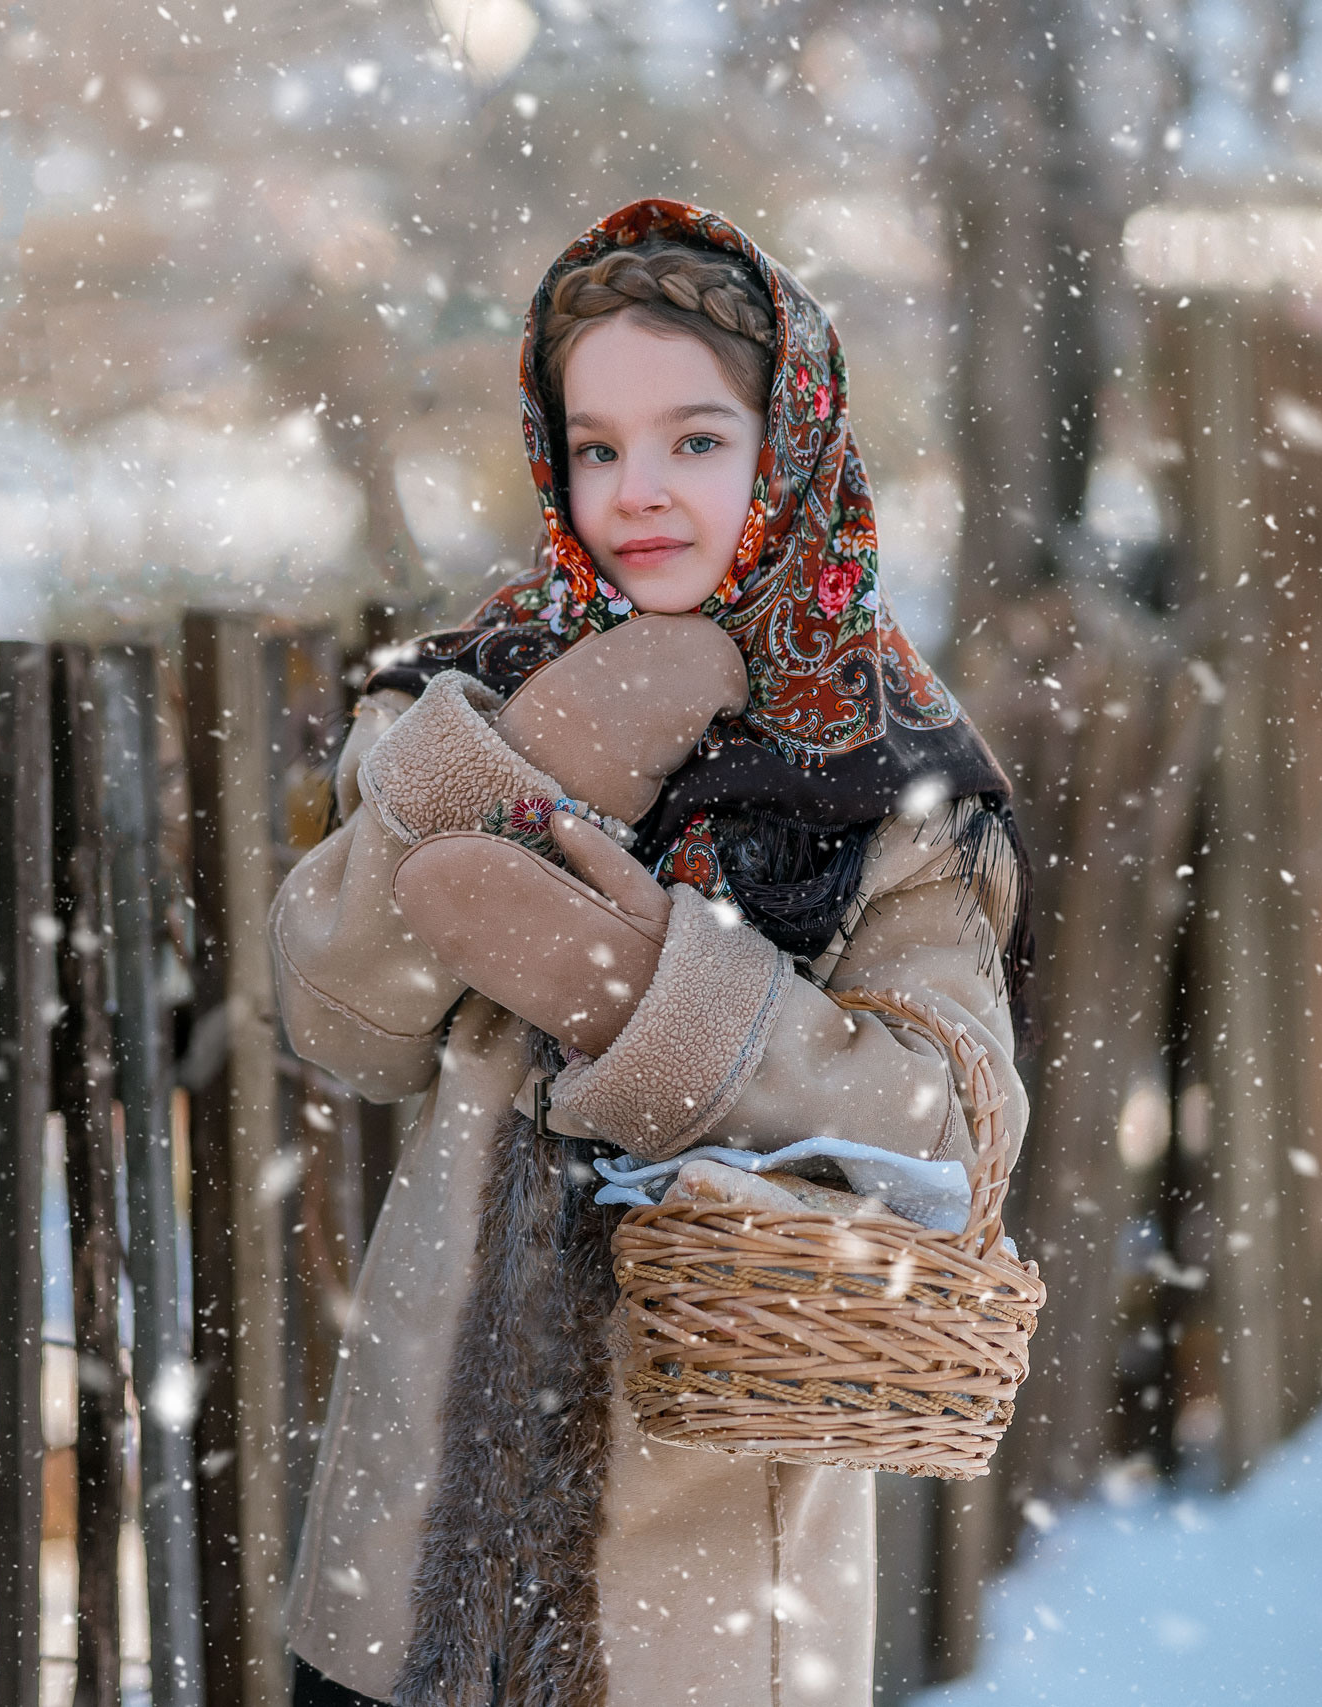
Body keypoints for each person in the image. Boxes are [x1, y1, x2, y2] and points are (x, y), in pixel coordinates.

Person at [274, 198, 1032, 1707]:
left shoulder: (889, 772)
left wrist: (668, 1001)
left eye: (696, 441)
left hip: (707, 1561)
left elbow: (951, 1124)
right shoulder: (468, 686)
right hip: (416, 1519)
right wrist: (490, 778)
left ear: (789, 446)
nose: (641, 494)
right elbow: (340, 1022)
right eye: (599, 447)